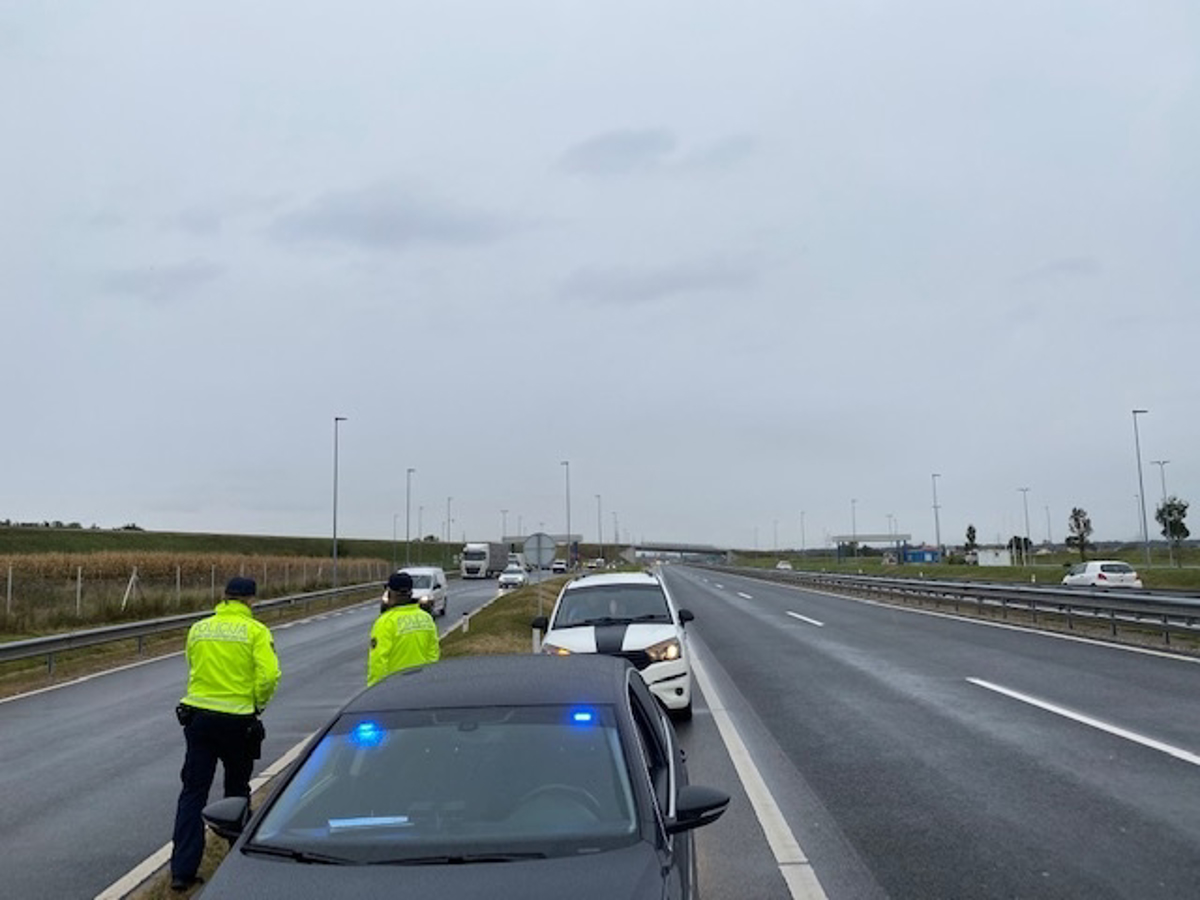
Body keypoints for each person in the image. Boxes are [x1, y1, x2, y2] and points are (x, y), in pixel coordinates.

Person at [169, 576, 281, 892]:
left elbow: (192, 665)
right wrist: (256, 704)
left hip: (198, 719)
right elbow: (269, 675)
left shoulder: (199, 628)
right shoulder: (256, 631)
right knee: (236, 792)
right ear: (251, 600)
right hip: (237, 721)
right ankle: (240, 865)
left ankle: (182, 871)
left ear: (224, 597)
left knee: (192, 793)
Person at [367, 571, 440, 686]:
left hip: (395, 689)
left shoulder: (386, 622)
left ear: (390, 593)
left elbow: (378, 662)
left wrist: (375, 692)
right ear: (410, 593)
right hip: (421, 685)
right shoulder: (426, 618)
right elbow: (433, 655)